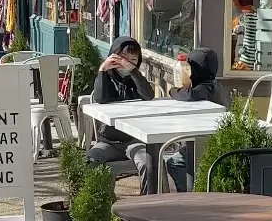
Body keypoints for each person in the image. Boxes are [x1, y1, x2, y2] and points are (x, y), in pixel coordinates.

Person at [85, 36, 156, 192]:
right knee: (90, 160)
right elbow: (101, 98)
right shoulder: (106, 79)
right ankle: (103, 205)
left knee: (149, 163)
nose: (126, 63)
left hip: (135, 139)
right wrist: (103, 70)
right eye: (123, 58)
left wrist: (134, 72)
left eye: (133, 59)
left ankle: (149, 204)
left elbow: (148, 95)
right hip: (109, 141)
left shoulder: (136, 80)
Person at [162, 48, 223, 191]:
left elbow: (189, 95)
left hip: (208, 143)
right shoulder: (212, 85)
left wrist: (173, 91)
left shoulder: (207, 89)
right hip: (205, 139)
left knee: (175, 162)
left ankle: (189, 195)